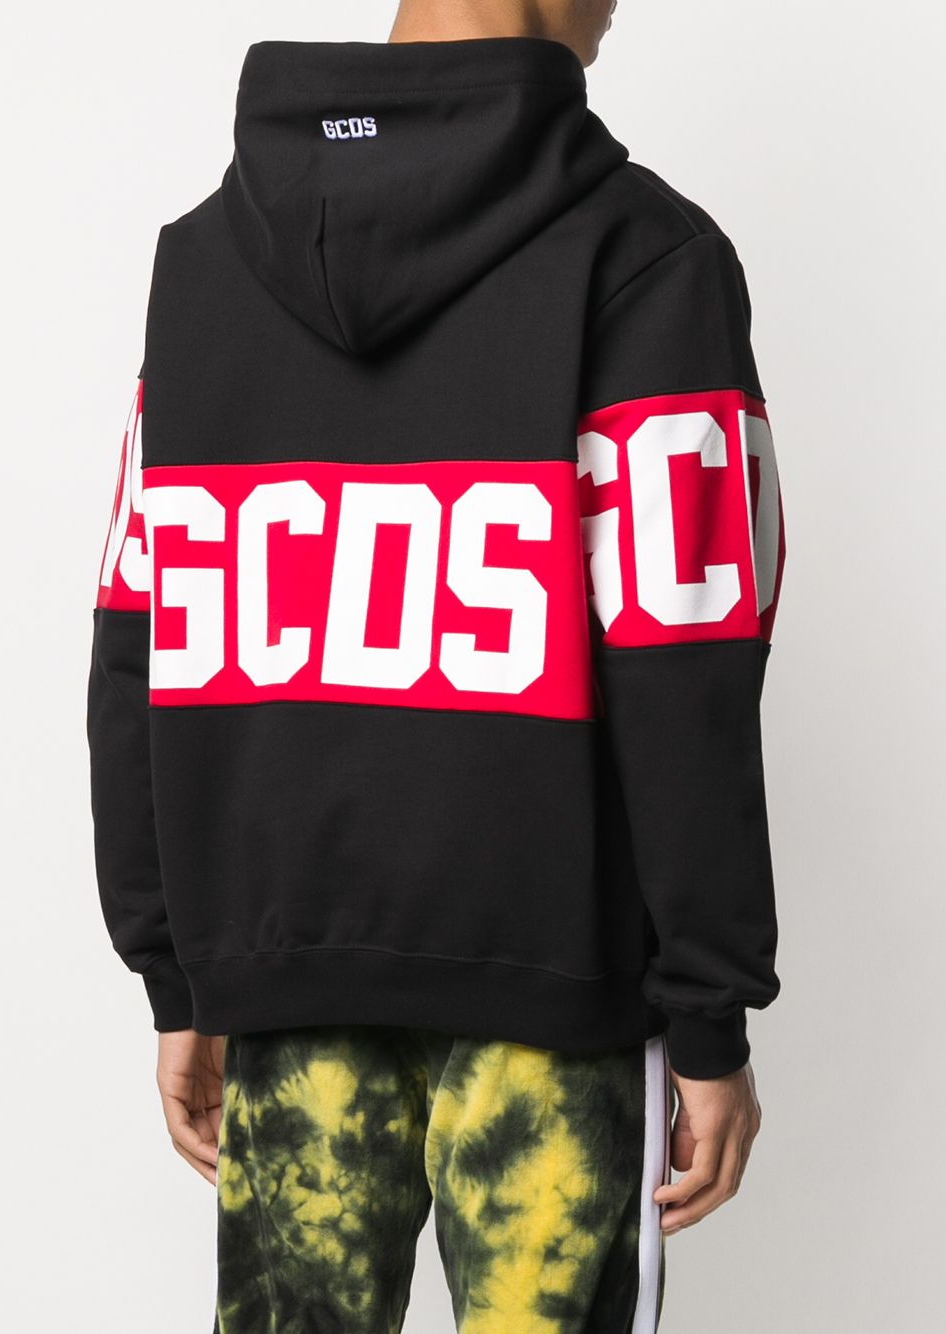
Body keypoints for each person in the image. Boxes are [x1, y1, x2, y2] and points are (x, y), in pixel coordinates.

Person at [87, 1, 786, 1329]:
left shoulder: (203, 262)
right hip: (561, 1000)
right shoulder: (645, 256)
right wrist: (710, 1010)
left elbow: (139, 633)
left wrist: (183, 968)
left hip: (285, 977)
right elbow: (682, 660)